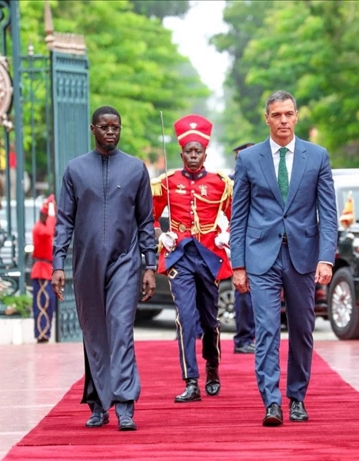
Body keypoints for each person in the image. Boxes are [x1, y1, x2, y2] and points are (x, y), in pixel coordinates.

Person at [230, 90, 337, 426]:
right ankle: (271, 402)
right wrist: (238, 265)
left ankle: (297, 397)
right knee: (266, 330)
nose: (283, 121)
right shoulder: (249, 159)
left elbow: (328, 214)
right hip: (261, 256)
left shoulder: (317, 156)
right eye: (276, 115)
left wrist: (326, 258)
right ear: (267, 119)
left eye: (288, 114)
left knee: (302, 329)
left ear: (296, 116)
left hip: (303, 257)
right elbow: (239, 216)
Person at [52, 106, 157, 431]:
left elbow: (146, 221)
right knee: (94, 333)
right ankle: (98, 404)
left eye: (116, 127)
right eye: (105, 127)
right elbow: (64, 220)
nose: (111, 132)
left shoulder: (136, 169)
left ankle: (125, 405)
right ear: (93, 129)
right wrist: (58, 263)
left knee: (121, 330)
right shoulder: (75, 170)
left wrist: (150, 264)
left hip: (125, 262)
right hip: (86, 264)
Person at [151, 114, 234, 402]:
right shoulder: (167, 183)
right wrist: (161, 235)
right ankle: (191, 381)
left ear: (205, 154)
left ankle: (212, 366)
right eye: (189, 151)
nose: (194, 155)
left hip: (210, 255)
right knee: (185, 318)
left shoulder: (220, 183)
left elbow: (237, 216)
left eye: (198, 151)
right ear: (182, 154)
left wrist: (227, 235)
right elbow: (148, 216)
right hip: (180, 257)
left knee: (210, 320)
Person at [230, 142, 256, 354]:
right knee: (244, 292)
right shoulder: (229, 183)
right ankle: (244, 338)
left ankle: (253, 337)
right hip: (239, 242)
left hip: (261, 242)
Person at [31, 195, 57, 343]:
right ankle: (41, 334)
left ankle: (45, 333)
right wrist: (52, 215)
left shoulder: (44, 226)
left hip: (47, 269)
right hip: (41, 270)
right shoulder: (39, 228)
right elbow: (49, 232)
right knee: (43, 303)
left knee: (49, 303)